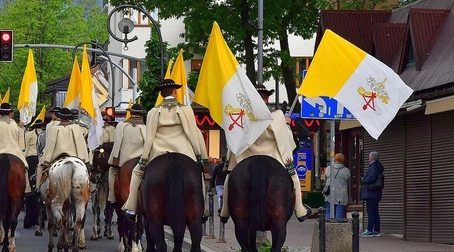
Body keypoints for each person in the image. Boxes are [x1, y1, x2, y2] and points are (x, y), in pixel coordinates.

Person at [220, 84, 313, 223]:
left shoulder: (242, 115)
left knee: (228, 179)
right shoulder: (276, 116)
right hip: (273, 157)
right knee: (295, 179)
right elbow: (285, 139)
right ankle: (300, 209)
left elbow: (234, 139)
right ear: (267, 98)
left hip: (245, 157)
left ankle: (225, 210)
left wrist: (228, 160)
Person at [122, 79, 210, 222]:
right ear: (175, 92)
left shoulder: (153, 112)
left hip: (159, 154)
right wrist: (201, 157)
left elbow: (149, 138)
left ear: (161, 94)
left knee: (136, 173)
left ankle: (131, 207)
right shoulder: (186, 109)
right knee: (199, 177)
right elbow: (193, 134)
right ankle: (203, 209)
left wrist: (144, 159)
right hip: (184, 153)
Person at [36, 107, 90, 189]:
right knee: (87, 170)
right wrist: (84, 160)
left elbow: (49, 147)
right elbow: (81, 145)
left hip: (56, 157)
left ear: (60, 117)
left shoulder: (54, 129)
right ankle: (89, 189)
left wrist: (45, 161)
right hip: (76, 156)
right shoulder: (77, 128)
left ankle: (38, 188)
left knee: (40, 168)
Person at [106, 103, 146, 212]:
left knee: (112, 172)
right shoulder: (144, 127)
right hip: (140, 160)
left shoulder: (122, 125)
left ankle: (112, 198)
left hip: (123, 160)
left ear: (131, 112)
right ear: (141, 114)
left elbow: (117, 143)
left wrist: (115, 159)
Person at [360, 150, 385, 237]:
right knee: (375, 212)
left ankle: (370, 230)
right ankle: (376, 230)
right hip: (377, 192)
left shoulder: (373, 167)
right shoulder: (379, 166)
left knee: (371, 212)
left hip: (371, 192)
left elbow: (370, 178)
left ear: (371, 158)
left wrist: (363, 179)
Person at [323, 152, 351, 221]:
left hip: (330, 193)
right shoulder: (346, 170)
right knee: (339, 211)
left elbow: (325, 180)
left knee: (328, 210)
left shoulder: (329, 168)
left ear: (335, 159)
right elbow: (348, 181)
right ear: (343, 160)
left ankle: (327, 228)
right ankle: (338, 228)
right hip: (341, 194)